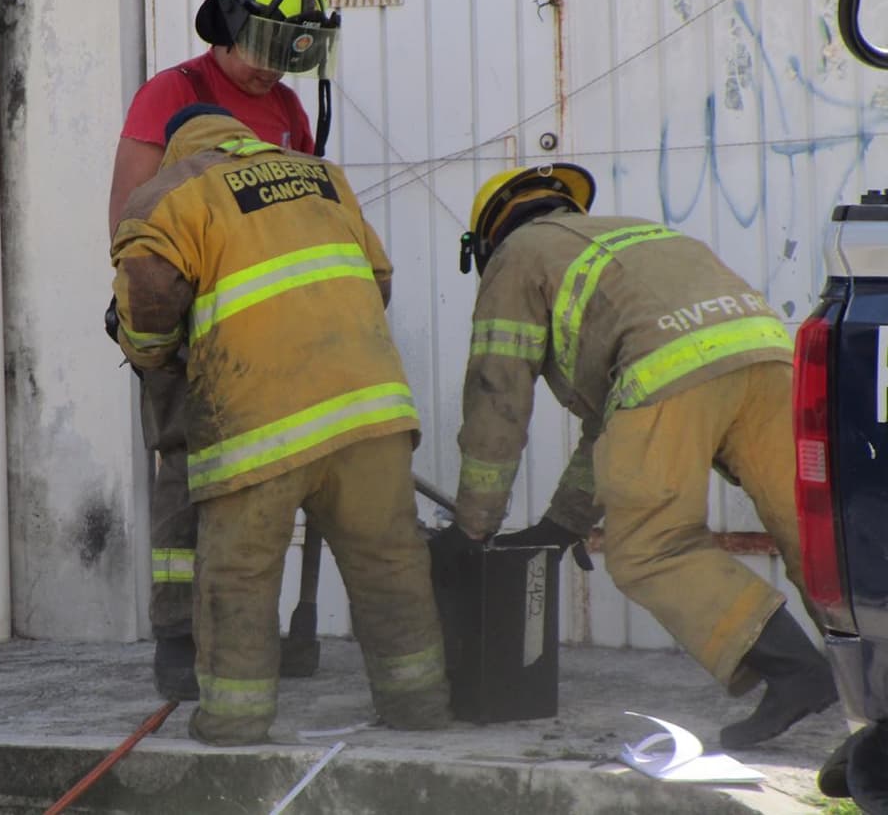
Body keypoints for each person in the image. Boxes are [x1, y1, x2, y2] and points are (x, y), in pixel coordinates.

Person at [440, 162, 838, 750]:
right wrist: (562, 525)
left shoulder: (517, 256)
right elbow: (617, 424)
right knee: (815, 532)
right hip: (771, 359)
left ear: (487, 239)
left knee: (649, 546)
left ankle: (795, 673)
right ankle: (875, 691)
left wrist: (473, 527)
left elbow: (498, 399)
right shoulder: (635, 235)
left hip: (673, 374)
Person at [110, 104, 450, 746]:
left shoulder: (171, 192)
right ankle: (419, 705)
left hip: (256, 423)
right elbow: (376, 279)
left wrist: (150, 352)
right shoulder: (321, 175)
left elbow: (149, 287)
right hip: (369, 411)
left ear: (181, 149)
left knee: (239, 572)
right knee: (390, 565)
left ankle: (234, 721)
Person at [105, 0, 340, 701]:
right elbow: (130, 216)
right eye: (265, 47)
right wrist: (147, 316)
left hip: (269, 333)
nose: (275, 68)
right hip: (186, 331)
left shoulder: (287, 109)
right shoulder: (170, 94)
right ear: (229, 27)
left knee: (272, 477)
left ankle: (245, 630)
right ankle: (178, 638)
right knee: (185, 476)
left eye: (290, 52)